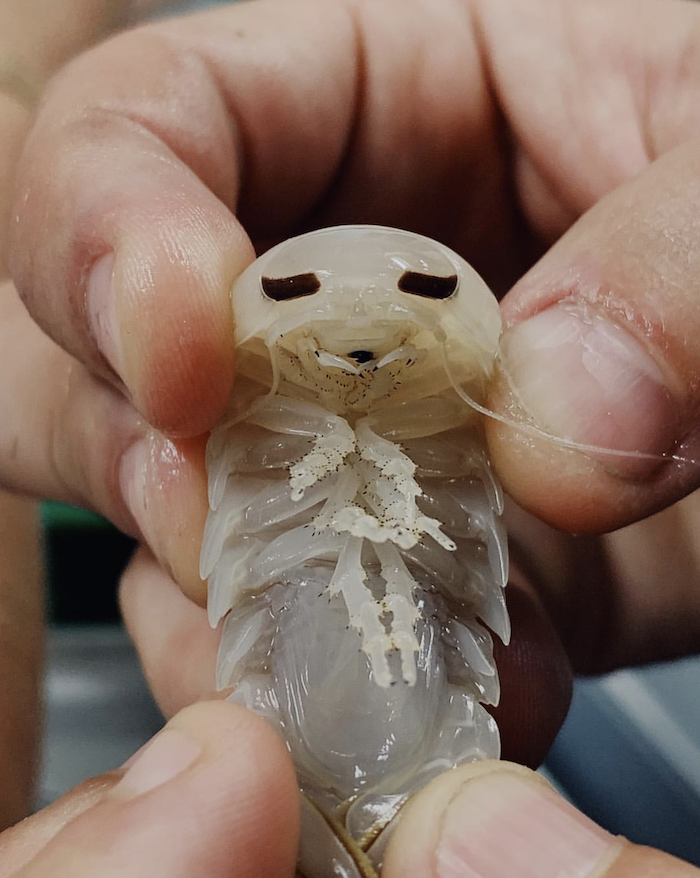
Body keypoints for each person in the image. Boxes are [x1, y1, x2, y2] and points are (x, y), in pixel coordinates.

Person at [1, 0, 699, 874]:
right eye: (307, 294)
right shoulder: (263, 393)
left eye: (408, 291)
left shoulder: (471, 381)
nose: (360, 320)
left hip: (430, 718)